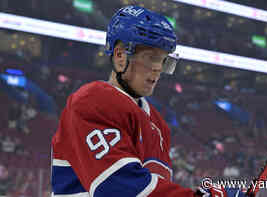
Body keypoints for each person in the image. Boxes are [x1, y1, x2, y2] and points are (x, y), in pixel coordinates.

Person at [51, 5, 247, 197]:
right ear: (120, 56)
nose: (158, 69)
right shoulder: (92, 102)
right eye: (151, 57)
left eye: (163, 61)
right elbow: (117, 189)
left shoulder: (159, 125)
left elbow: (154, 191)